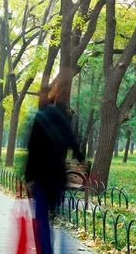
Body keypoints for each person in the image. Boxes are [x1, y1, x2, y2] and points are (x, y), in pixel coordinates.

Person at [25, 95, 85, 254]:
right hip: (58, 177)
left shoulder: (39, 119)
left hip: (41, 177)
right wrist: (80, 157)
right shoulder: (62, 119)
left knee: (42, 219)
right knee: (59, 215)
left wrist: (28, 177)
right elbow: (74, 143)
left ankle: (46, 251)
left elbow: (32, 149)